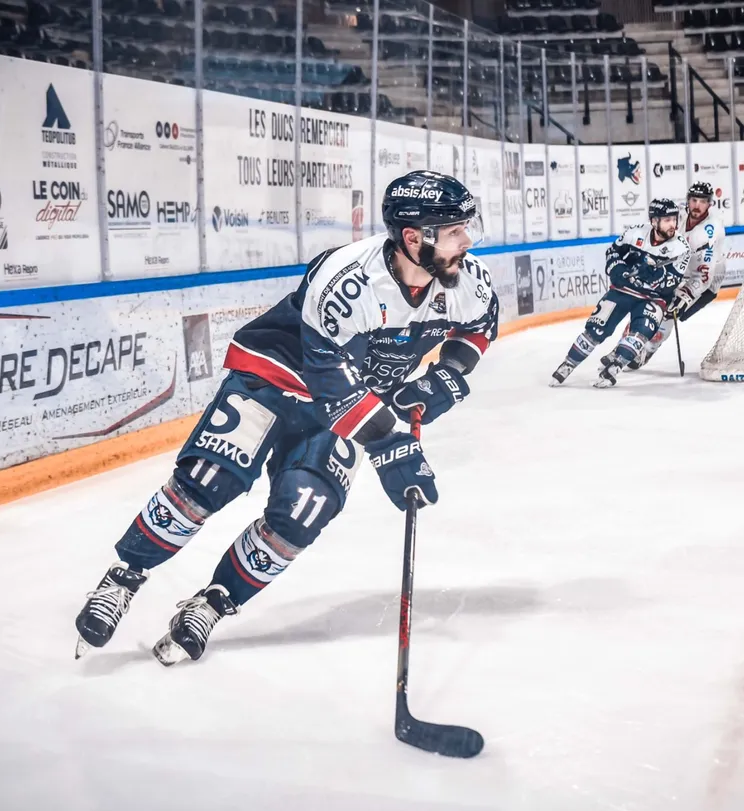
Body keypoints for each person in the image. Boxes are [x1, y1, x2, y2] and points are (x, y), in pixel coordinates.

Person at [74, 171, 498, 664]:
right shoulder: (348, 281)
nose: (467, 241)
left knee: (303, 511)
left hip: (350, 407)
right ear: (412, 238)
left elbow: (479, 325)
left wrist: (449, 374)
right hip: (276, 379)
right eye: (454, 231)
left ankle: (212, 604)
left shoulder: (468, 279)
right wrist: (389, 443)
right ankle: (123, 578)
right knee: (208, 481)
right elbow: (330, 379)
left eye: (466, 228)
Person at [549, 198, 691, 388]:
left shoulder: (681, 248)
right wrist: (619, 270)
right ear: (654, 221)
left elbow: (670, 283)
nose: (673, 224)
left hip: (653, 298)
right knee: (597, 328)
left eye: (674, 219)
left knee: (641, 332)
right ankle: (569, 363)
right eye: (667, 220)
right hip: (624, 290)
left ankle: (616, 367)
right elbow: (613, 253)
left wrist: (654, 274)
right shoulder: (635, 233)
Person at [626, 181, 725, 370]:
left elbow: (703, 277)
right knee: (646, 302)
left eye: (702, 201)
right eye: (694, 200)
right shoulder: (678, 215)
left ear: (710, 203)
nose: (697, 205)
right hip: (677, 271)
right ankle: (628, 344)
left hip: (703, 283)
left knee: (669, 313)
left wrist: (686, 295)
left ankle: (647, 350)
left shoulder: (709, 233)